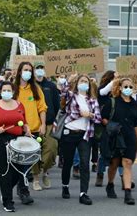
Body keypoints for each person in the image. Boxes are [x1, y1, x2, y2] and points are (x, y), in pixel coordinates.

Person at [0, 81, 32, 212]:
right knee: (4, 171)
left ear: (13, 91)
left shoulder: (19, 105)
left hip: (17, 141)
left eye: (9, 90)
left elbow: (24, 122)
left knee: (18, 170)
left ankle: (6, 192)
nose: (6, 92)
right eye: (4, 90)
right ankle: (8, 201)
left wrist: (27, 129)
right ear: (0, 92)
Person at [60, 74, 102, 205]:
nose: (84, 83)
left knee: (85, 163)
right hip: (69, 132)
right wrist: (70, 79)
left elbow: (98, 118)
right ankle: (65, 186)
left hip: (85, 135)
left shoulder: (93, 100)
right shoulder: (72, 95)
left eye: (86, 82)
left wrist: (89, 114)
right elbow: (63, 92)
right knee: (68, 162)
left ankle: (83, 193)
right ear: (77, 83)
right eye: (82, 81)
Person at [13, 62, 47, 204]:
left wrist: (43, 124)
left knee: (28, 162)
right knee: (18, 162)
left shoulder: (36, 89)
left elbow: (42, 108)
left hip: (33, 130)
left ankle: (22, 187)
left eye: (30, 70)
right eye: (25, 70)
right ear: (20, 72)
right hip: (18, 130)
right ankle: (23, 189)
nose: (28, 72)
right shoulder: (13, 89)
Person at [103, 78, 137, 205]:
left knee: (127, 162)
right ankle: (110, 184)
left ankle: (127, 193)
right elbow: (103, 118)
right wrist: (112, 126)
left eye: (130, 86)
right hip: (115, 137)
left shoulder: (135, 104)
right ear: (119, 88)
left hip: (130, 137)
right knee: (114, 163)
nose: (128, 89)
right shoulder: (113, 102)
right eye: (125, 86)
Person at [33, 64, 60, 190]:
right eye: (37, 68)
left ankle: (45, 171)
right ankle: (36, 179)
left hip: (49, 124)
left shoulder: (51, 86)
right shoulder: (30, 86)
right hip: (34, 125)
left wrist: (55, 120)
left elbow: (57, 105)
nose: (40, 71)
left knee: (51, 149)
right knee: (35, 152)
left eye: (42, 68)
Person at [95, 70, 119, 187]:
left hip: (117, 124)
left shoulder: (118, 91)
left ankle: (124, 176)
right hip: (104, 124)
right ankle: (100, 174)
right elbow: (104, 92)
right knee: (104, 151)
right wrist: (115, 80)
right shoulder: (102, 91)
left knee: (119, 151)